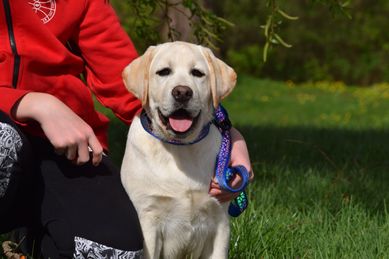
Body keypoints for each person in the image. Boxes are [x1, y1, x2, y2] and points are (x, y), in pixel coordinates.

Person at [0, 0, 253, 258]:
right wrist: (31, 103)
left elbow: (136, 90)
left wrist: (227, 136)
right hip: (4, 128)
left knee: (116, 250)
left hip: (71, 147)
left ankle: (29, 234)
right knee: (3, 141)